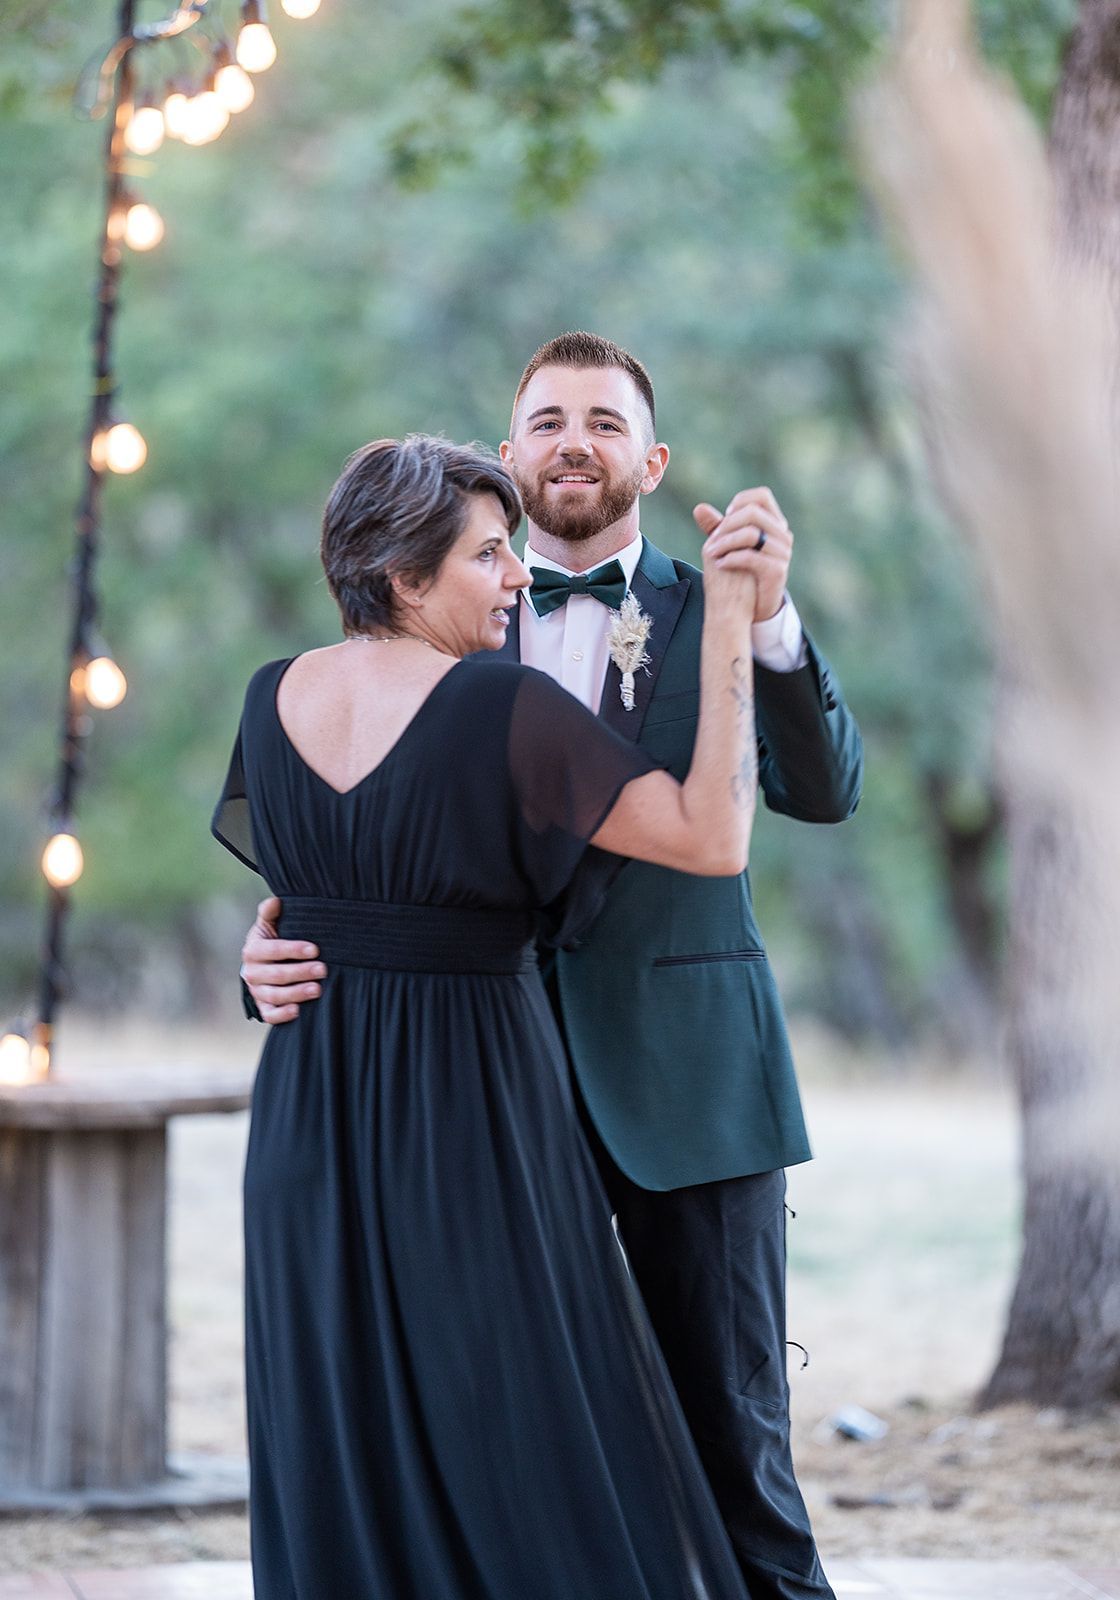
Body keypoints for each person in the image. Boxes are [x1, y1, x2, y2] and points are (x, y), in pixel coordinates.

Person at [241, 334, 863, 1600]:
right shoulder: (461, 624)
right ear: (511, 453)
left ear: (652, 457)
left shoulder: (713, 609)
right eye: (544, 419)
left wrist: (773, 621)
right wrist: (264, 950)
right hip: (477, 1106)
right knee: (493, 1434)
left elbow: (823, 790)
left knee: (735, 1449)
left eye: (603, 419)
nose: (572, 438)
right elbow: (362, 859)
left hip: (685, 1090)